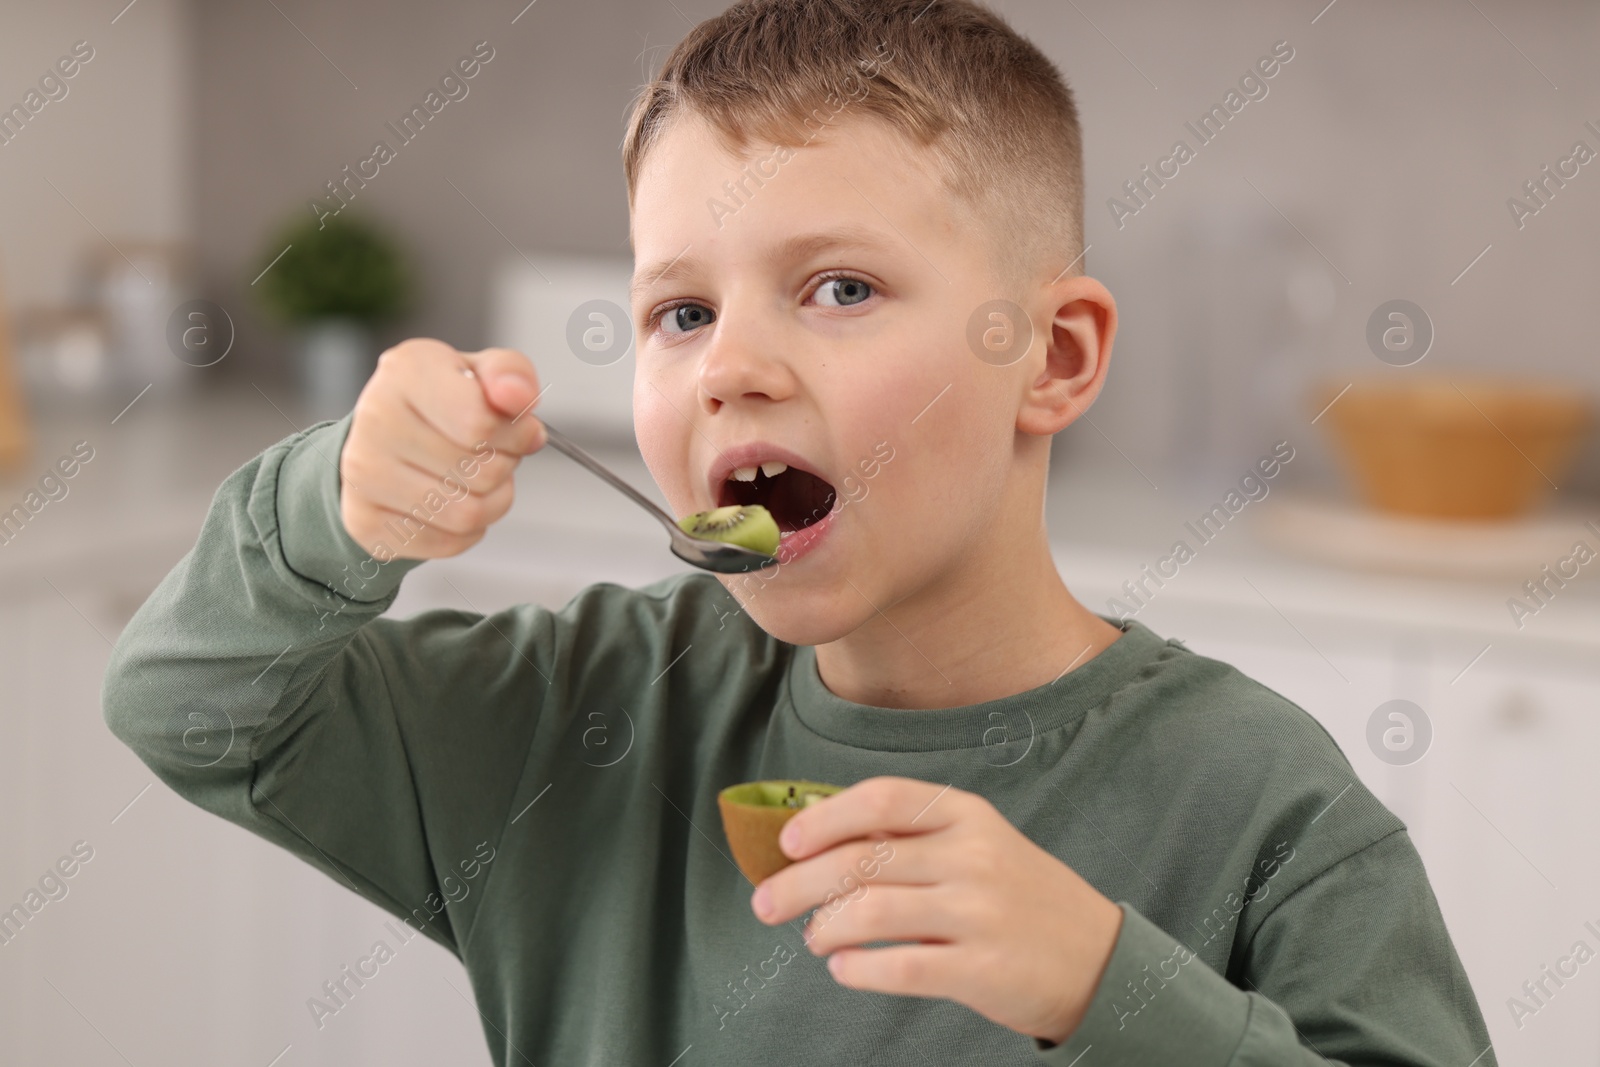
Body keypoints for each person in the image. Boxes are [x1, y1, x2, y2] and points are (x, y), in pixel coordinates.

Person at [103, 1, 1495, 1062]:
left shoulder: (1261, 804)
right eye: (682, 313)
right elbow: (186, 704)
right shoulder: (578, 714)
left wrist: (1103, 987)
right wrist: (330, 507)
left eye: (836, 287)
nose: (728, 367)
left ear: (1054, 356)